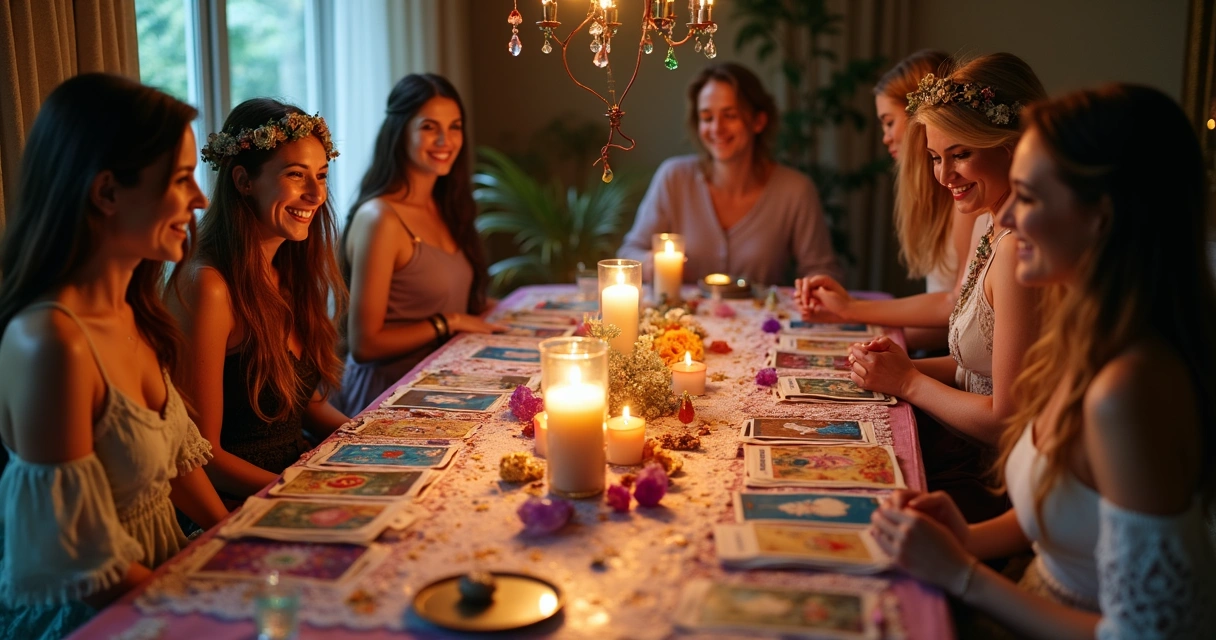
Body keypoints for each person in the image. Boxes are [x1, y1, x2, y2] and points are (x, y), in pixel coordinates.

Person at [870, 84, 1216, 639]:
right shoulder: (1083, 340)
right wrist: (967, 537)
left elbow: (1147, 633)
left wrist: (963, 576)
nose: (1005, 214)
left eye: (1028, 196)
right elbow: (1068, 511)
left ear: (1102, 216)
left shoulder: (1129, 390)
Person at [0, 73, 227, 639]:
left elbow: (178, 469)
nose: (200, 200)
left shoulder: (134, 311)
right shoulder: (53, 341)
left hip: (162, 578)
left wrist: (241, 542)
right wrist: (213, 599)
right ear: (106, 192)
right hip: (100, 615)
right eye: (180, 180)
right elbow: (83, 565)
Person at [844, 53, 1046, 448]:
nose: (943, 176)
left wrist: (908, 381)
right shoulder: (987, 223)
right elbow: (976, 368)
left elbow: (1006, 421)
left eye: (961, 154)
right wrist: (899, 367)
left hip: (988, 471)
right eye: (936, 158)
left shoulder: (1021, 250)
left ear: (1011, 145)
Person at [169, 99, 348, 502]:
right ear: (243, 181)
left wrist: (372, 439)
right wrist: (305, 491)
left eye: (321, 175)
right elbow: (203, 454)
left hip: (295, 475)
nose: (316, 194)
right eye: (295, 175)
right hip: (241, 500)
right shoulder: (210, 287)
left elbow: (308, 406)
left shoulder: (292, 269)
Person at [336, 74, 503, 416]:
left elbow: (448, 294)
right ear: (400, 132)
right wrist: (450, 321)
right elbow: (364, 344)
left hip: (441, 383)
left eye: (455, 126)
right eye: (429, 127)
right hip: (387, 395)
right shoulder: (380, 218)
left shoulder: (446, 206)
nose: (445, 140)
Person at [797, 50, 979, 352]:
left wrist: (852, 313)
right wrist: (844, 318)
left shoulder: (967, 199)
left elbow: (955, 309)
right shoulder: (939, 194)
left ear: (919, 118)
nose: (885, 137)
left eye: (888, 122)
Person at [617, 62, 840, 287]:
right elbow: (628, 255)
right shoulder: (674, 177)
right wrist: (652, 265)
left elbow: (821, 270)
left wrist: (815, 287)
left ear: (759, 121)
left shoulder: (795, 190)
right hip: (680, 321)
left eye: (730, 115)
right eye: (707, 118)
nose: (716, 129)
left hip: (763, 320)